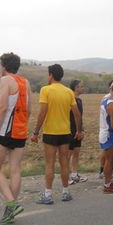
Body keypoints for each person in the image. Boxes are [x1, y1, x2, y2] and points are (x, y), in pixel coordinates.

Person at [0, 52, 31, 225]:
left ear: (4, 66)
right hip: (21, 131)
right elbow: (29, 110)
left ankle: (12, 203)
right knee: (15, 169)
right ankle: (10, 211)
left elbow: (3, 107)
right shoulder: (25, 82)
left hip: (5, 131)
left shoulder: (5, 80)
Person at [31, 64, 82, 204]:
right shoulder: (68, 92)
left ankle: (48, 195)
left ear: (51, 75)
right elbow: (77, 114)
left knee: (50, 164)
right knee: (65, 163)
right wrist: (79, 130)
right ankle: (65, 193)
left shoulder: (45, 90)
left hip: (50, 133)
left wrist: (35, 132)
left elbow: (42, 113)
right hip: (65, 133)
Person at [68, 80, 88, 185]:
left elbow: (80, 117)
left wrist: (81, 130)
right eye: (81, 86)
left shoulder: (79, 100)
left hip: (78, 130)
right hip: (70, 130)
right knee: (68, 154)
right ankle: (66, 176)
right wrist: (74, 130)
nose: (83, 88)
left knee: (76, 153)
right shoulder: (69, 100)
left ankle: (74, 175)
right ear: (75, 88)